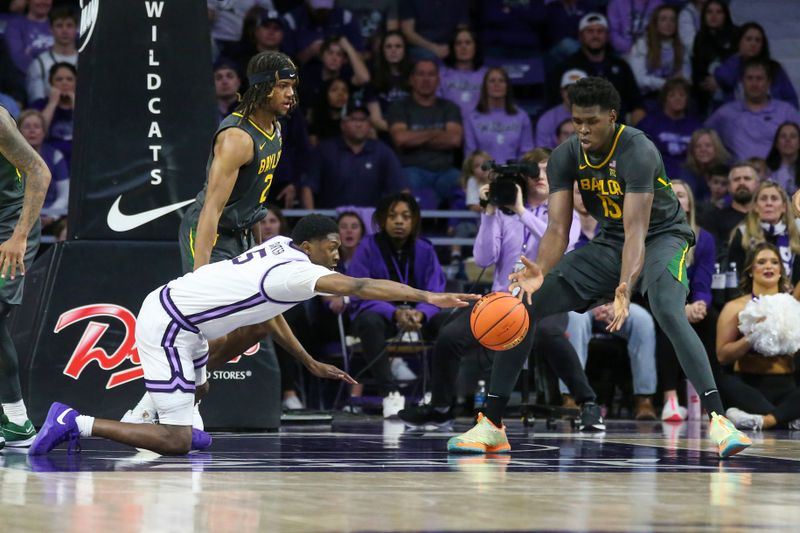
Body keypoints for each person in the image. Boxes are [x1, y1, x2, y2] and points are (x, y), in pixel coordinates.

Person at [446, 76, 752, 458]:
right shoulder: (565, 156)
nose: (583, 129)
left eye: (592, 121)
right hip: (610, 240)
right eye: (577, 121)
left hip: (662, 237)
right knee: (522, 305)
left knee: (666, 308)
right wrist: (540, 269)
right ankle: (491, 425)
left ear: (612, 116)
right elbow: (558, 228)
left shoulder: (638, 150)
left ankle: (720, 420)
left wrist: (625, 285)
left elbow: (637, 230)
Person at [29, 214, 478, 456]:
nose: (338, 253)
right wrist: (427, 296)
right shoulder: (298, 271)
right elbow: (360, 287)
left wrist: (307, 361)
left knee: (232, 353)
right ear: (310, 247)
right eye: (333, 246)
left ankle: (154, 409)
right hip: (169, 326)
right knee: (179, 442)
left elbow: (266, 316)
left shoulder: (279, 246)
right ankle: (74, 422)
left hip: (183, 320)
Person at [120, 51, 302, 430]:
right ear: (264, 87)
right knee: (198, 325)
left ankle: (170, 397)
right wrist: (199, 275)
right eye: (283, 85)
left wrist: (255, 249)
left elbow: (254, 200)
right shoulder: (236, 138)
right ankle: (152, 408)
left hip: (241, 233)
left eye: (292, 86)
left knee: (245, 328)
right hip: (210, 232)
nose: (290, 94)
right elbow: (211, 211)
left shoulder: (277, 130)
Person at [399, 148, 606, 433]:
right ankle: (441, 407)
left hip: (545, 298)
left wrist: (521, 212)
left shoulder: (563, 212)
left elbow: (561, 248)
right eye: (535, 171)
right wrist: (489, 212)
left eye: (547, 170)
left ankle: (588, 404)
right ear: (523, 176)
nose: (541, 177)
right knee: (449, 334)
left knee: (549, 334)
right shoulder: (502, 210)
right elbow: (484, 259)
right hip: (499, 300)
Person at [347, 193, 449, 417]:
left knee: (449, 323)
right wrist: (394, 313)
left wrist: (422, 314)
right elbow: (358, 291)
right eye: (392, 216)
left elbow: (436, 291)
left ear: (414, 221)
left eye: (406, 216)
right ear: (382, 220)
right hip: (384, 318)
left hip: (419, 318)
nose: (399, 221)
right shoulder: (366, 247)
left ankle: (435, 393)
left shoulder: (425, 249)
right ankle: (390, 393)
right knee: (368, 322)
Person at [565, 181, 659, 421]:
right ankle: (570, 397)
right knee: (574, 322)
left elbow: (632, 268)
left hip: (615, 298)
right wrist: (593, 303)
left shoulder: (614, 228)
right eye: (578, 193)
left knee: (644, 321)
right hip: (576, 303)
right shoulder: (562, 229)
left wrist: (617, 300)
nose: (584, 198)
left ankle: (644, 399)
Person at [0, 104, 52, 448]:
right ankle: (16, 422)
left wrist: (19, 235)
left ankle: (17, 419)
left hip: (12, 224)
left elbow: (39, 172)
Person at [717, 243, 800, 430]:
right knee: (722, 382)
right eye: (761, 262)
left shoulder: (792, 304)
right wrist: (752, 336)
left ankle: (767, 420)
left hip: (786, 385)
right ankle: (787, 418)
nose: (768, 266)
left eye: (774, 262)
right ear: (750, 271)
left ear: (781, 271)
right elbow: (722, 355)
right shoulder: (734, 307)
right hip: (748, 386)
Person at [656, 179, 717, 421]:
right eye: (669, 194)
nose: (675, 199)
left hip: (690, 301)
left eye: (680, 195)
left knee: (710, 320)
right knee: (668, 320)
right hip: (656, 299)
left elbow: (703, 279)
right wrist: (681, 309)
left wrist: (700, 304)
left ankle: (707, 399)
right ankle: (670, 398)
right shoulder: (652, 235)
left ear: (689, 204)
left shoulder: (704, 238)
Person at [302, 97, 407, 208]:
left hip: (370, 222)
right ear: (342, 124)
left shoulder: (382, 151)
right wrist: (311, 221)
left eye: (363, 120)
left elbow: (402, 190)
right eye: (353, 119)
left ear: (369, 124)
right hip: (330, 221)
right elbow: (308, 188)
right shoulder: (325, 150)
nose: (359, 124)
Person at [388, 59, 462, 207]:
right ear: (411, 79)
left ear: (438, 80)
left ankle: (458, 228)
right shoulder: (400, 107)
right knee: (405, 181)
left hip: (445, 172)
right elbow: (401, 139)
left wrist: (416, 137)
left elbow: (454, 140)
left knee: (463, 181)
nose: (426, 79)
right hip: (412, 170)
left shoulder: (449, 108)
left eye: (431, 74)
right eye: (421, 74)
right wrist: (436, 133)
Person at [548, 13, 645, 125]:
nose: (595, 35)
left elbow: (637, 106)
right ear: (580, 36)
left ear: (607, 36)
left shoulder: (621, 66)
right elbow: (554, 107)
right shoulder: (565, 67)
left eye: (600, 31)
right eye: (590, 31)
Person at [705, 57, 800, 162]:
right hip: (739, 176)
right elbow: (702, 136)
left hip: (777, 176)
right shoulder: (725, 113)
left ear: (769, 82)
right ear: (742, 82)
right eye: (750, 78)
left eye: (759, 79)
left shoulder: (786, 111)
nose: (754, 84)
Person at [727, 181, 800, 286]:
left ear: (784, 207)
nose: (769, 203)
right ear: (756, 207)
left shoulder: (796, 234)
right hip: (751, 298)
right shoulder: (742, 234)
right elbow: (735, 277)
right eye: (763, 199)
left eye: (774, 199)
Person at [714, 22, 798, 110]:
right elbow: (725, 79)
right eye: (748, 39)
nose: (753, 44)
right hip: (738, 119)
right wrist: (737, 58)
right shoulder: (729, 65)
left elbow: (791, 99)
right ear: (739, 42)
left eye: (758, 40)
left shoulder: (774, 68)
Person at [463, 67, 534, 164]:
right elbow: (471, 154)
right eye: (492, 81)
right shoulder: (472, 118)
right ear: (485, 87)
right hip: (483, 173)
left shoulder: (521, 116)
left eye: (501, 81)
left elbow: (527, 152)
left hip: (514, 174)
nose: (497, 84)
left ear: (507, 86)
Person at [636, 78, 702, 181]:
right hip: (658, 174)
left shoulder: (695, 125)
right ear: (664, 99)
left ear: (687, 99)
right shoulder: (650, 123)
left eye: (682, 95)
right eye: (672, 95)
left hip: (689, 176)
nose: (678, 99)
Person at [18, 109, 67, 240]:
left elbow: (65, 194)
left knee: (67, 232)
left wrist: (51, 217)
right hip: (17, 218)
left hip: (51, 217)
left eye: (37, 127)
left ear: (44, 132)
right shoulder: (8, 158)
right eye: (27, 127)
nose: (32, 131)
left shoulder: (56, 156)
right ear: (18, 132)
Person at [628, 5, 690, 100]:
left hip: (673, 95)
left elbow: (686, 77)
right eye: (663, 19)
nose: (669, 24)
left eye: (672, 20)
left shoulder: (681, 46)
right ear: (655, 24)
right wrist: (666, 83)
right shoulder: (641, 44)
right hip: (647, 96)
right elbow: (639, 79)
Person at [690, 0, 736, 114]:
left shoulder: (737, 35)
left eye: (718, 12)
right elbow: (697, 68)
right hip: (705, 94)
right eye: (709, 12)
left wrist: (720, 81)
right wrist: (703, 83)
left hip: (732, 92)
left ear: (726, 15)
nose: (713, 16)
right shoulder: (700, 38)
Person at [25, 6, 77, 103]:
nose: (64, 30)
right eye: (59, 25)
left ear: (76, 29)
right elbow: (37, 103)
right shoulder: (39, 64)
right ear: (51, 29)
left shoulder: (86, 61)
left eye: (69, 25)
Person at [367, 30, 411, 138]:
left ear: (405, 50)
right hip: (385, 135)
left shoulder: (415, 76)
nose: (393, 50)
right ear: (382, 50)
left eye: (398, 46)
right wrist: (399, 132)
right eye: (388, 46)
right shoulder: (373, 78)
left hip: (413, 133)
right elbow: (376, 120)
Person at [30, 62, 74, 166]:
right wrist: (52, 103)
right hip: (47, 161)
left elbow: (91, 134)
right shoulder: (39, 105)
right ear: (51, 82)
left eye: (69, 79)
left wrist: (77, 106)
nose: (64, 83)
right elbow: (38, 129)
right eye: (59, 79)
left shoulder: (86, 106)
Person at [437, 28, 487, 119]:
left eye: (468, 43)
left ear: (475, 47)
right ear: (452, 48)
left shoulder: (487, 75)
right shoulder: (441, 74)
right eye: (458, 43)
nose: (463, 47)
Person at [399, 0, 468, 60]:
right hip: (422, 47)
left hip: (449, 46)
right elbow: (408, 32)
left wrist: (452, 47)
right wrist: (433, 48)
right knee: (429, 56)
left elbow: (462, 30)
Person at [536, 69, 586, 150]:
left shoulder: (598, 118)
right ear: (561, 91)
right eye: (569, 89)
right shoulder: (547, 120)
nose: (573, 93)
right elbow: (543, 154)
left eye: (578, 89)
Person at [4, 0, 53, 78]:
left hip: (62, 79)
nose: (43, 2)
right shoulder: (15, 26)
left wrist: (32, 51)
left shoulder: (60, 24)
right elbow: (19, 58)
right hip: (28, 80)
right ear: (28, 1)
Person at [680, 128, 731, 202]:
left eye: (708, 145)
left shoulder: (727, 169)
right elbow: (687, 198)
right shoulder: (687, 171)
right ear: (692, 151)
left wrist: (724, 201)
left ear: (716, 148)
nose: (703, 150)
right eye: (698, 146)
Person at [765, 122, 800, 196]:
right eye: (783, 136)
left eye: (793, 136)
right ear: (776, 143)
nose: (788, 140)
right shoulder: (766, 170)